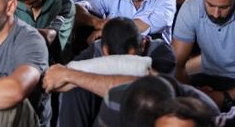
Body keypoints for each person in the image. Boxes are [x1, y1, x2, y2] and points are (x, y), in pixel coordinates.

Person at [45, 16, 177, 127]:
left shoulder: (161, 51)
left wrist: (71, 75)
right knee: (74, 91)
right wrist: (69, 76)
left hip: (144, 113)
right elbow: (57, 81)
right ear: (105, 50)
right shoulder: (97, 48)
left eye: (129, 59)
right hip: (103, 113)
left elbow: (153, 92)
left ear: (143, 43)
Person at [10, 0, 75, 63]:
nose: (27, 7)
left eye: (32, 2)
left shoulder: (64, 5)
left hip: (53, 68)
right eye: (22, 3)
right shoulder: (14, 0)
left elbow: (50, 35)